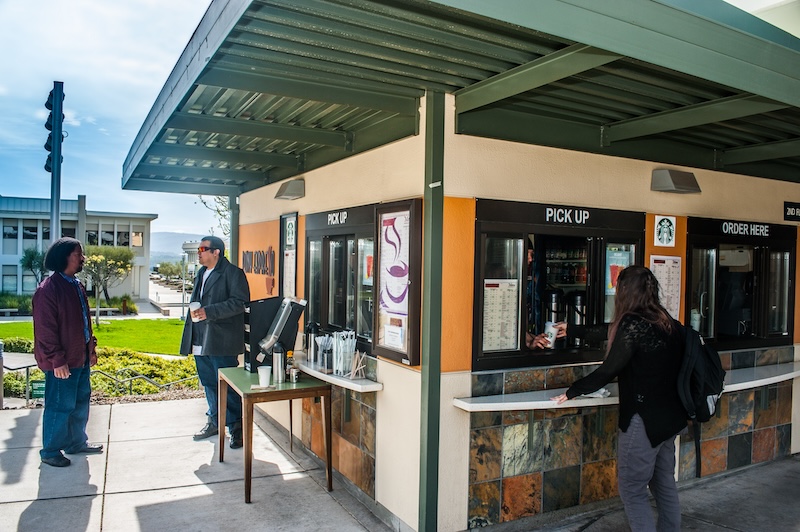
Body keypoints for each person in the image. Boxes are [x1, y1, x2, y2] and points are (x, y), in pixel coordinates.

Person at [551, 265, 685, 531]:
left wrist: (572, 390)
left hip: (644, 421)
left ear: (626, 291)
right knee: (664, 485)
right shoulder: (664, 320)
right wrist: (574, 330)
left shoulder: (633, 323)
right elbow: (610, 330)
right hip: (670, 419)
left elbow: (609, 370)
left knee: (632, 490)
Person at [33, 237, 102, 467]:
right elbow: (45, 331)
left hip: (80, 358)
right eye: (78, 254)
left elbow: (83, 323)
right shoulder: (48, 290)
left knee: (80, 402)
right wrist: (57, 361)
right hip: (62, 363)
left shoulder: (76, 285)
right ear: (64, 257)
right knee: (60, 406)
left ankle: (76, 443)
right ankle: (51, 451)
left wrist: (91, 349)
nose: (82, 258)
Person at [180, 236, 250, 449]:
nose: (199, 252)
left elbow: (240, 303)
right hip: (200, 337)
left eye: (203, 249)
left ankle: (236, 428)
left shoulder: (233, 273)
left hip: (221, 339)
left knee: (227, 385)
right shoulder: (201, 273)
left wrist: (209, 312)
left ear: (217, 252)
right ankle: (214, 421)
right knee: (209, 382)